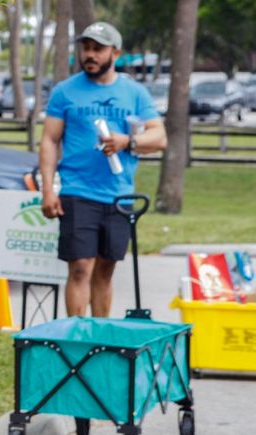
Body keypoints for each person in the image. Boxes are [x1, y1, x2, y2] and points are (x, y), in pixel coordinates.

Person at [39, 22, 166, 317]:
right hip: (77, 190)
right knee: (81, 267)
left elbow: (160, 137)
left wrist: (127, 141)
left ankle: (99, 337)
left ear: (116, 53)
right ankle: (76, 338)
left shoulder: (134, 93)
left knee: (105, 270)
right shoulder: (65, 92)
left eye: (98, 49)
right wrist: (48, 189)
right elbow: (49, 140)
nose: (90, 55)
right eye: (86, 48)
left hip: (119, 194)